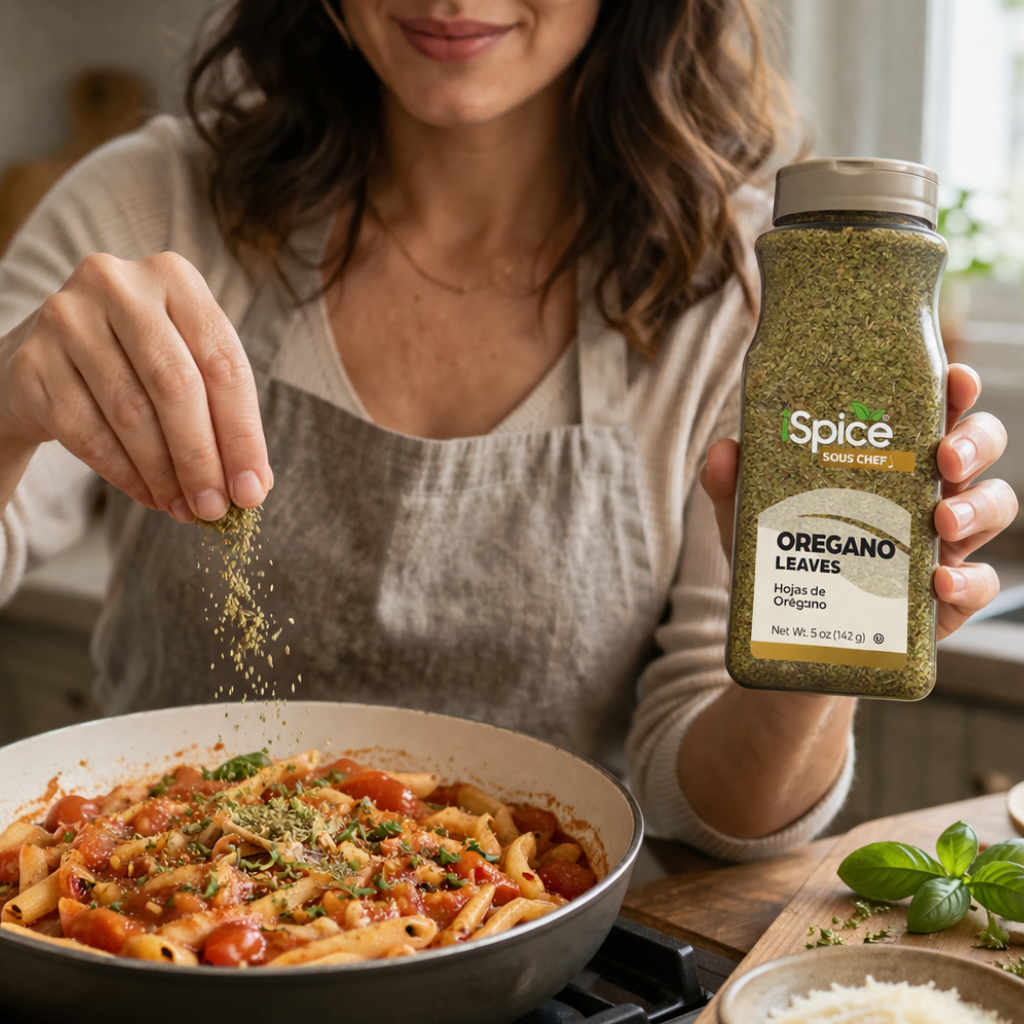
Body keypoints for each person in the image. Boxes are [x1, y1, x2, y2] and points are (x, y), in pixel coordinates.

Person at [0, 0, 1016, 861]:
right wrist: (8, 406)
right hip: (137, 912)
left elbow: (715, 813)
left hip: (530, 948)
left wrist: (829, 638)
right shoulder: (150, 197)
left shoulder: (761, 290)